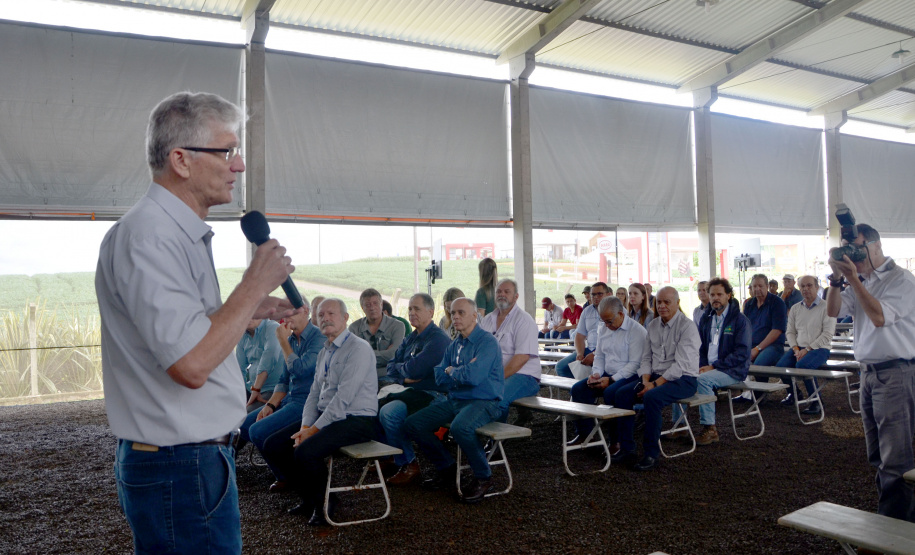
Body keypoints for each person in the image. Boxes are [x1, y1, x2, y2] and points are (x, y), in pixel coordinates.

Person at [95, 91, 297, 553]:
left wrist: (251, 307)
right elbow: (189, 364)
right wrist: (250, 286)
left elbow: (181, 333)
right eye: (227, 151)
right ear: (181, 161)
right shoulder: (150, 237)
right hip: (179, 466)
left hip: (189, 461)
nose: (239, 165)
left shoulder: (172, 234)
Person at [826, 223, 915, 521]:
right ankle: (893, 516)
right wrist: (838, 279)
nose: (855, 256)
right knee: (876, 454)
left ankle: (895, 529)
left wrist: (853, 278)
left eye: (858, 249)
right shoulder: (859, 280)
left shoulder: (901, 280)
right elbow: (833, 311)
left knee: (895, 458)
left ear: (876, 246)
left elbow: (878, 316)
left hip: (895, 374)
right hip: (868, 374)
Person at [266, 298, 378, 526]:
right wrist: (306, 426)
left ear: (345, 318)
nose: (325, 318)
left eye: (331, 314)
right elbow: (314, 395)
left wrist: (313, 430)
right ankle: (311, 497)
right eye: (320, 315)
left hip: (358, 420)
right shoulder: (324, 352)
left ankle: (324, 504)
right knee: (274, 445)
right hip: (330, 417)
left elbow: (343, 399)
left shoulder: (358, 349)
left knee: (306, 451)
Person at [405, 297, 504, 503]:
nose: (455, 317)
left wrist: (453, 371)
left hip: (485, 401)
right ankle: (447, 467)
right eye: (452, 313)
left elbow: (475, 377)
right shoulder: (455, 344)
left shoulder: (487, 342)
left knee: (460, 428)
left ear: (475, 315)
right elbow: (440, 376)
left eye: (461, 313)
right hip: (457, 399)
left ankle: (484, 477)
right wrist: (458, 371)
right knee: (413, 424)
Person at [611, 287, 700, 471]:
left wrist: (653, 385)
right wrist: (645, 380)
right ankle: (627, 448)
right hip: (655, 376)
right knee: (621, 394)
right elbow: (646, 358)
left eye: (667, 302)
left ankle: (651, 454)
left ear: (677, 303)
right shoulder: (652, 325)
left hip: (684, 379)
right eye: (658, 301)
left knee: (652, 397)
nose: (661, 306)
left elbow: (680, 365)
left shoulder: (687, 326)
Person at [243, 299, 323, 493]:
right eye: (284, 315)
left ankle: (292, 477)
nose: (287, 319)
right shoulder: (293, 339)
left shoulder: (318, 337)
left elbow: (302, 370)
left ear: (305, 311)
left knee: (258, 431)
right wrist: (270, 405)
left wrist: (282, 342)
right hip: (289, 399)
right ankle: (285, 472)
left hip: (308, 402)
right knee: (246, 425)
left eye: (292, 313)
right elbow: (284, 378)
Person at [378, 293, 451, 486]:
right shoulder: (411, 337)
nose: (411, 313)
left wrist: (404, 370)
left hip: (433, 395)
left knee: (389, 412)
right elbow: (392, 366)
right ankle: (396, 456)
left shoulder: (438, 340)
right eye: (410, 309)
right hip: (409, 392)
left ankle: (409, 463)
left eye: (416, 309)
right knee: (371, 405)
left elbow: (415, 369)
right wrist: (405, 375)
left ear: (431, 312)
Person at [568, 296, 647, 450]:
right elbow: (600, 355)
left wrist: (611, 380)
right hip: (607, 374)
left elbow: (635, 364)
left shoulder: (637, 331)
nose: (606, 325)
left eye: (609, 321)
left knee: (612, 392)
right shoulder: (604, 327)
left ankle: (615, 440)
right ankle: (586, 435)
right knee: (578, 390)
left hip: (631, 376)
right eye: (603, 321)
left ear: (621, 315)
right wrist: (596, 373)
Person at [685, 278, 752, 446]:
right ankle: (679, 427)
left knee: (703, 380)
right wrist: (701, 365)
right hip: (709, 367)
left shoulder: (739, 320)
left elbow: (742, 353)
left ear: (728, 295)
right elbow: (700, 347)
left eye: (719, 294)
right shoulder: (707, 319)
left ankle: (710, 429)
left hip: (733, 370)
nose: (715, 298)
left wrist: (713, 367)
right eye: (712, 294)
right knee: (681, 375)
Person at [481, 279, 541, 424]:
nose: (502, 294)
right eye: (499, 291)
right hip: (495, 374)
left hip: (524, 375)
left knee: (496, 395)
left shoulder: (524, 320)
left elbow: (522, 358)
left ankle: (497, 439)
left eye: (507, 292)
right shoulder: (487, 320)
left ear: (516, 297)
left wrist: (495, 378)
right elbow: (480, 350)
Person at [776, 275, 836, 413]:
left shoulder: (827, 307)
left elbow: (827, 334)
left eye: (809, 285)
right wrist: (796, 348)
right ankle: (794, 394)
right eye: (802, 286)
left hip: (820, 348)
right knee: (780, 367)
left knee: (802, 365)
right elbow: (790, 332)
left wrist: (808, 349)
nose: (805, 289)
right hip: (799, 348)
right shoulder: (796, 308)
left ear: (817, 287)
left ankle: (816, 402)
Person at [349, 288, 406, 378]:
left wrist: (364, 354)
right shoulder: (354, 328)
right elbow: (352, 357)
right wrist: (384, 352)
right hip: (361, 377)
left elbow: (394, 355)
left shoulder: (397, 326)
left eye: (375, 303)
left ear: (381, 304)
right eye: (368, 305)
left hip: (389, 376)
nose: (372, 308)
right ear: (362, 308)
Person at [555, 282, 609, 378]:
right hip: (589, 349)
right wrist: (580, 353)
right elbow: (579, 335)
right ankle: (577, 390)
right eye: (593, 294)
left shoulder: (615, 310)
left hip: (607, 352)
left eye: (599, 294)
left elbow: (613, 339)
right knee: (561, 367)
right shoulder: (587, 311)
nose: (596, 297)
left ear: (608, 294)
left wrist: (595, 354)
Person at [236, 318, 285, 413]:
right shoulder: (243, 336)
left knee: (241, 418)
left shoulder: (272, 327)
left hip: (273, 390)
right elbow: (238, 368)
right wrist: (238, 394)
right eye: (246, 313)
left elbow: (269, 359)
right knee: (225, 410)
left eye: (254, 312)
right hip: (252, 389)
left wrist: (256, 389)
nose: (249, 317)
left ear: (262, 313)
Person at [743, 274, 788, 367]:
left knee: (759, 365)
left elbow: (777, 330)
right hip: (752, 345)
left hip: (773, 346)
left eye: (760, 286)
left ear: (767, 287)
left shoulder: (777, 303)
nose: (757, 289)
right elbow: (744, 328)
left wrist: (757, 349)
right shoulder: (749, 304)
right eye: (754, 286)